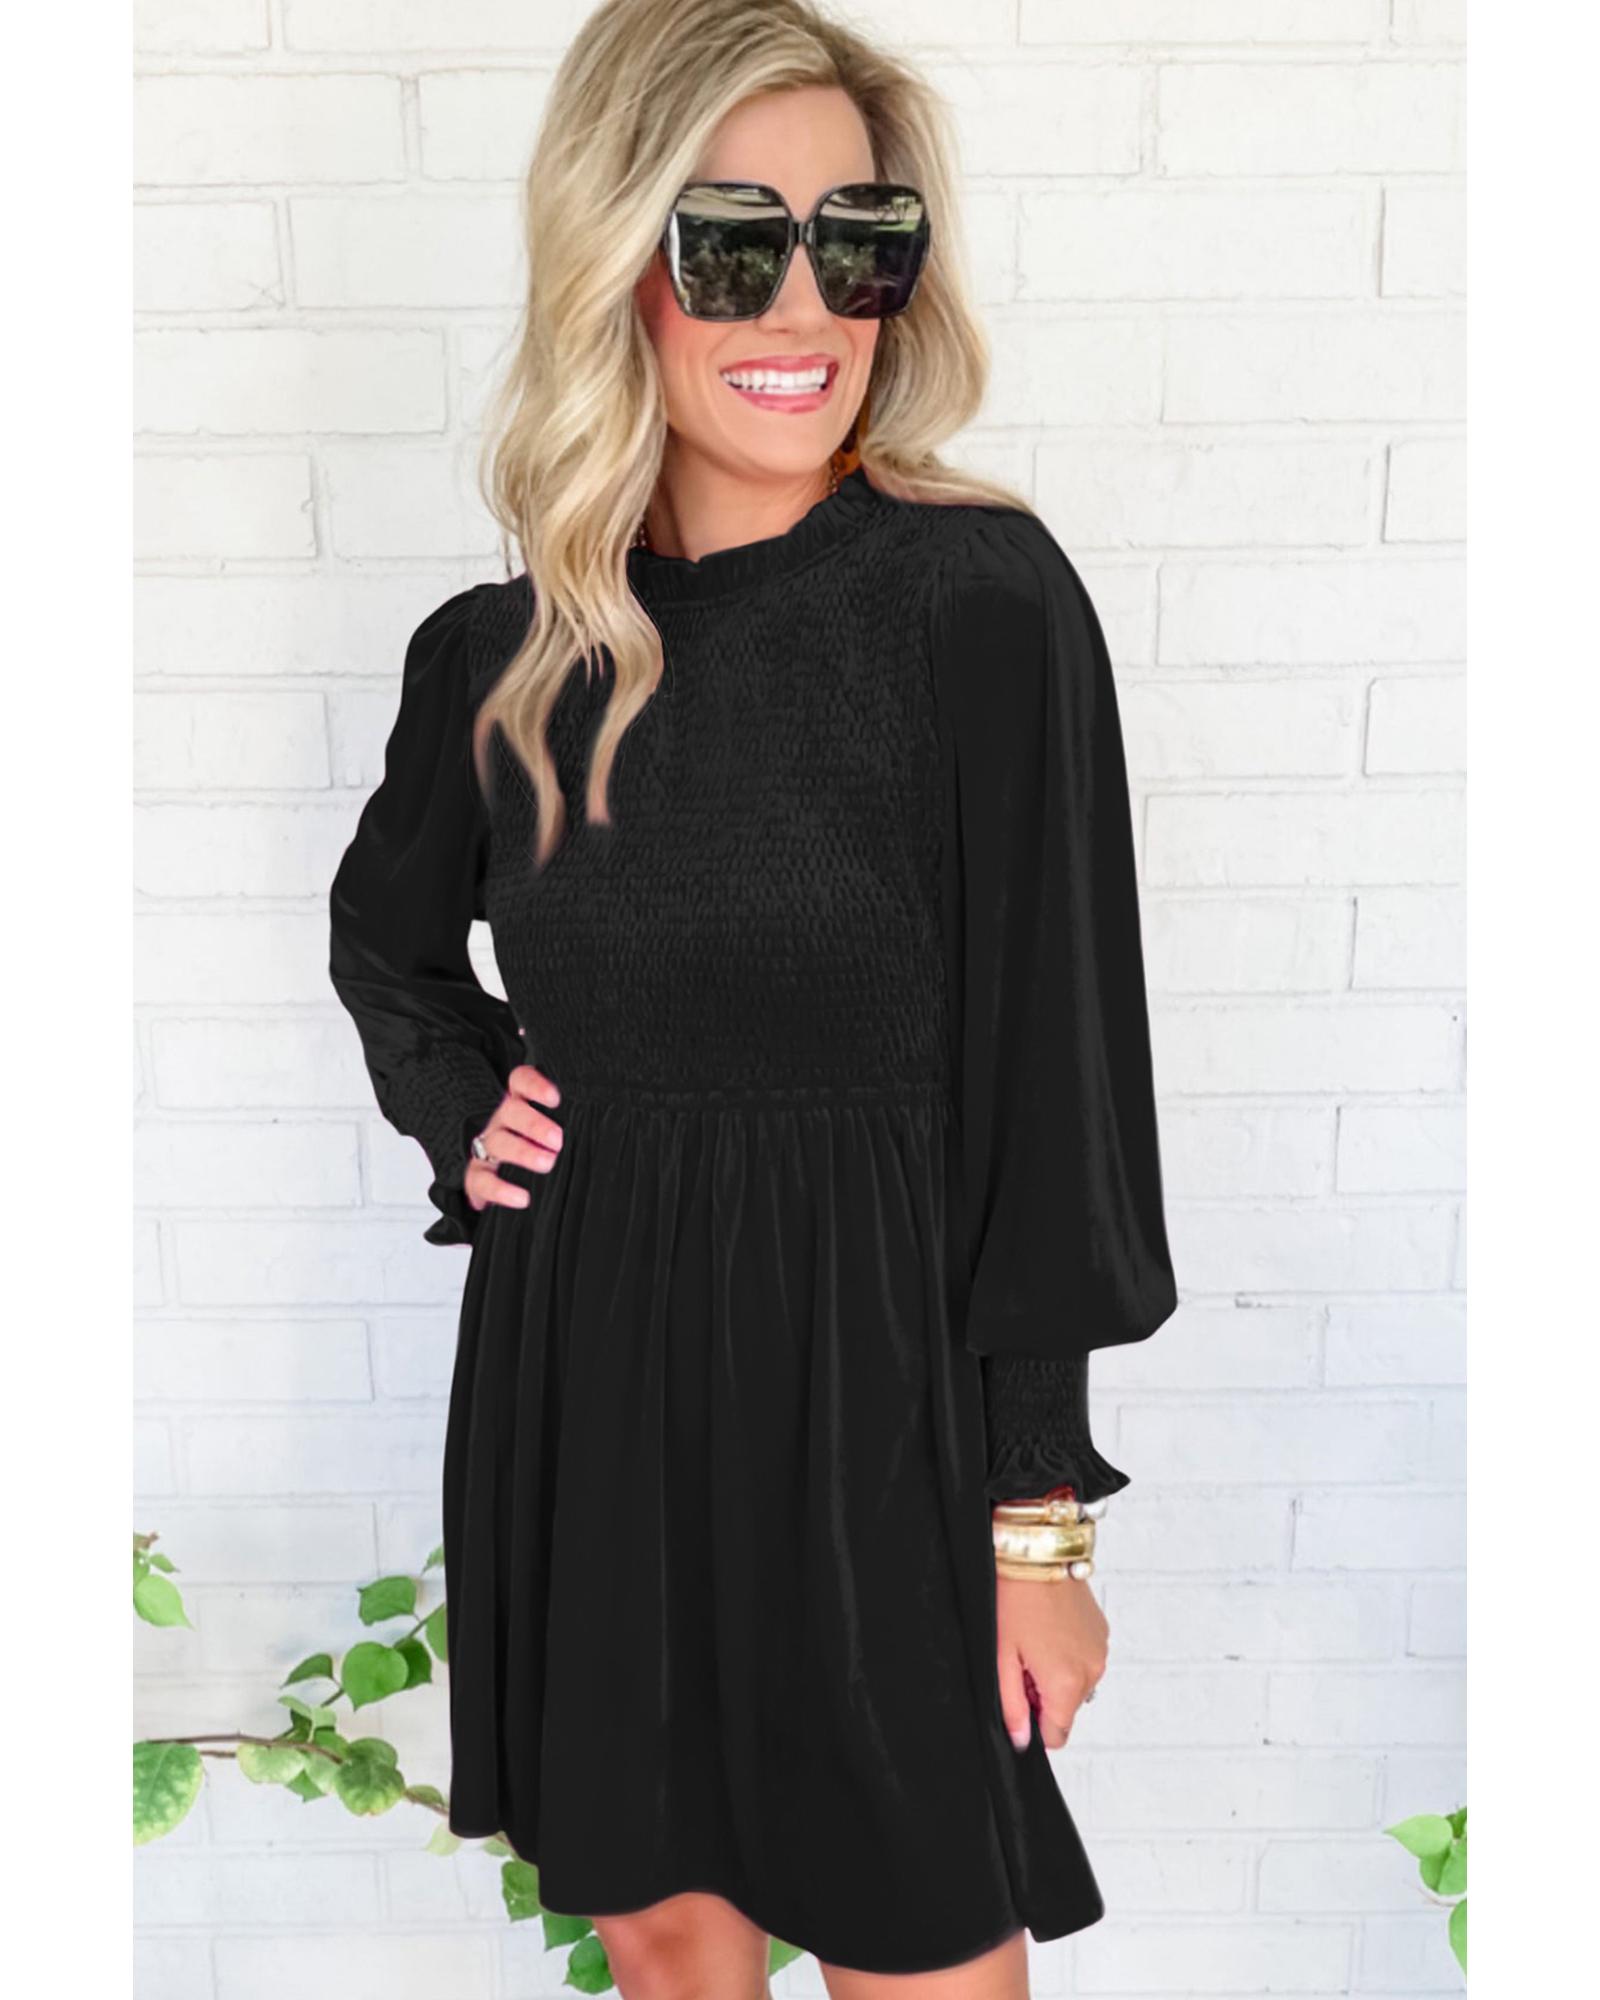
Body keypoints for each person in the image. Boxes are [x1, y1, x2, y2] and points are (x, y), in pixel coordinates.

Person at [328, 2, 1176, 1993]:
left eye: (858, 241)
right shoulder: (500, 655)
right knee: (662, 1927)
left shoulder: (977, 602)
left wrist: (1035, 1520)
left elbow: (1052, 1086)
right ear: (616, 262)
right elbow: (386, 940)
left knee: (924, 1938)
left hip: (878, 1398)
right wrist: (461, 1097)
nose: (805, 303)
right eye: (730, 242)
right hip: (591, 1376)